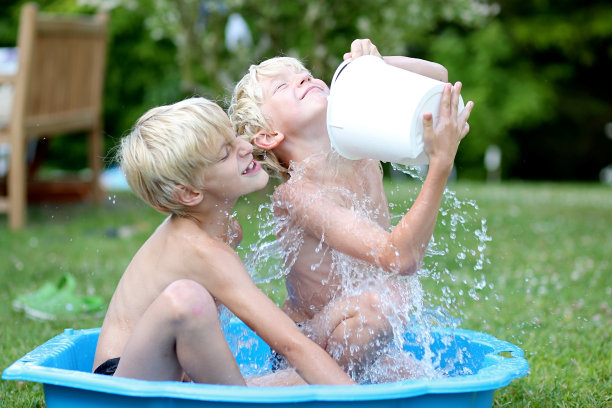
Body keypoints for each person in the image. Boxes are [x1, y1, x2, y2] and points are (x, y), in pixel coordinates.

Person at [229, 39, 474, 381]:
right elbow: (400, 259)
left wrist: (377, 64)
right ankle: (268, 388)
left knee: (422, 379)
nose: (303, 79)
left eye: (305, 74)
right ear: (267, 135)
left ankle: (344, 387)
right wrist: (440, 164)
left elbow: (440, 79)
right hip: (308, 349)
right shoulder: (297, 194)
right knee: (384, 302)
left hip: (359, 335)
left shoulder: (362, 150)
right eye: (283, 85)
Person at [92, 97, 355, 386]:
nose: (245, 146)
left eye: (234, 137)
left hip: (172, 378)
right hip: (120, 386)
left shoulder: (227, 231)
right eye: (225, 153)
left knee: (317, 377)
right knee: (187, 298)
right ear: (190, 193)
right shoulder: (201, 250)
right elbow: (290, 345)